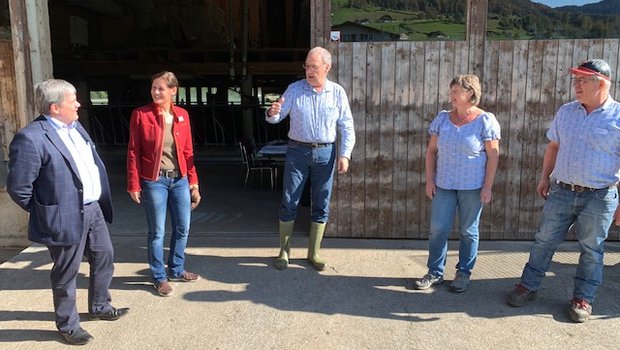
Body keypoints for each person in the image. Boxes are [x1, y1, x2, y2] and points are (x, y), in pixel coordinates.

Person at [7, 79, 129, 345]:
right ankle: (68, 324)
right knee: (66, 272)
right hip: (63, 216)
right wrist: (47, 212)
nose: (78, 104)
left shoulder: (75, 127)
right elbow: (18, 187)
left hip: (92, 209)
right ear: (54, 107)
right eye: (72, 99)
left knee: (104, 256)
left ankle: (100, 306)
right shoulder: (31, 138)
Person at [506, 59, 620, 323]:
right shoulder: (566, 112)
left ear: (601, 83)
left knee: (592, 249)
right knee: (544, 240)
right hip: (562, 190)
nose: (576, 85)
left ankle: (583, 299)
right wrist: (545, 177)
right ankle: (528, 285)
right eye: (576, 80)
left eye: (583, 80)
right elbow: (553, 147)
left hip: (600, 196)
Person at [266, 46, 355, 271]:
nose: (309, 71)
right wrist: (271, 112)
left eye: (314, 66)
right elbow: (276, 117)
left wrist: (345, 154)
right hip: (297, 151)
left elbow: (347, 125)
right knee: (289, 199)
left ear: (327, 67)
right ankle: (284, 252)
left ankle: (314, 253)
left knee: (321, 201)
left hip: (326, 153)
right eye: (307, 66)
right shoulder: (294, 89)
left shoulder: (337, 92)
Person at [414, 74, 500, 293]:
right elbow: (432, 151)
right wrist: (430, 179)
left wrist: (488, 186)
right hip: (444, 184)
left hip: (473, 187)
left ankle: (463, 273)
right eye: (451, 91)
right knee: (438, 229)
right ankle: (435, 272)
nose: (451, 95)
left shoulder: (485, 120)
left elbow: (493, 156)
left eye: (456, 91)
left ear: (470, 93)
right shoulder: (442, 119)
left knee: (468, 231)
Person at [127, 71, 202, 297]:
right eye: (153, 88)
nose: (156, 92)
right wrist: (134, 183)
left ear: (173, 91)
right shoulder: (141, 115)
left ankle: (177, 269)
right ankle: (159, 277)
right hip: (154, 181)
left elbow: (188, 152)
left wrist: (194, 183)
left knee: (183, 228)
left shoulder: (182, 115)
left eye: (161, 88)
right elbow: (133, 150)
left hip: (180, 180)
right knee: (157, 231)